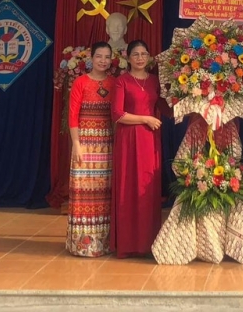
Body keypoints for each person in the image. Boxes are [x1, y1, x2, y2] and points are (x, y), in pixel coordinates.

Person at [111, 39, 170, 257]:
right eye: (135, 54)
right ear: (128, 58)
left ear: (149, 57)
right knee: (129, 187)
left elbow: (165, 109)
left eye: (144, 54)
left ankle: (148, 244)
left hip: (150, 141)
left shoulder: (154, 81)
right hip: (129, 140)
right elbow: (117, 114)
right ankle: (128, 245)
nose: (140, 58)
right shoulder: (122, 81)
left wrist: (192, 101)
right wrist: (145, 119)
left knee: (148, 188)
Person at [66, 41, 115, 257]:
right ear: (91, 58)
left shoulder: (115, 83)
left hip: (107, 145)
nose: (103, 61)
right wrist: (76, 144)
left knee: (105, 192)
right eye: (99, 56)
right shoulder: (81, 82)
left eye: (107, 57)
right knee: (82, 192)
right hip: (84, 144)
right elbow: (72, 115)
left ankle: (104, 243)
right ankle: (82, 244)